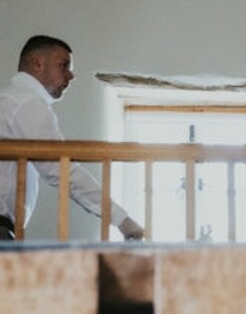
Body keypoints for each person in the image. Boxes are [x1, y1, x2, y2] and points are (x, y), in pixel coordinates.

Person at [0, 35, 144, 242]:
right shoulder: (26, 103)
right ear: (37, 63)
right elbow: (61, 168)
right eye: (63, 65)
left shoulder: (10, 99)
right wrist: (122, 219)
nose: (71, 75)